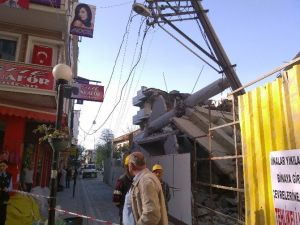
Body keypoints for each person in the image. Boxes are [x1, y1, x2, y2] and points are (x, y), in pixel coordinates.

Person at [124, 151, 168, 225]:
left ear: (131, 165)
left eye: (128, 165)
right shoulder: (143, 178)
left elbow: (151, 214)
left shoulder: (145, 181)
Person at [113, 155, 133, 225]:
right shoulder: (122, 180)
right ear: (127, 166)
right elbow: (115, 198)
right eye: (132, 166)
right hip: (125, 213)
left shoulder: (137, 178)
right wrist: (123, 207)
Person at [0, 160, 12, 225]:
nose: (2, 167)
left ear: (7, 166)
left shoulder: (9, 176)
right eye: (0, 166)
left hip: (5, 197)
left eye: (3, 166)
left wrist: (7, 189)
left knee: (3, 212)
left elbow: (11, 188)